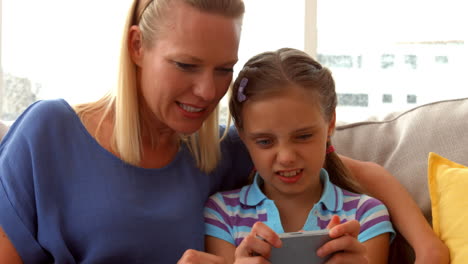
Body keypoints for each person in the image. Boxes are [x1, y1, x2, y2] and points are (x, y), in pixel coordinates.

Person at [0, 0, 448, 263]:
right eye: (186, 65)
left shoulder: (221, 151)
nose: (207, 90)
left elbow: (347, 166)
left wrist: (429, 248)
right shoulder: (46, 136)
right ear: (137, 46)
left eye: (223, 69)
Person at [204, 48, 395, 263]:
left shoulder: (366, 215)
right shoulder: (222, 213)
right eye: (265, 141)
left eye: (303, 136)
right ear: (243, 137)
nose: (286, 157)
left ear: (330, 123)